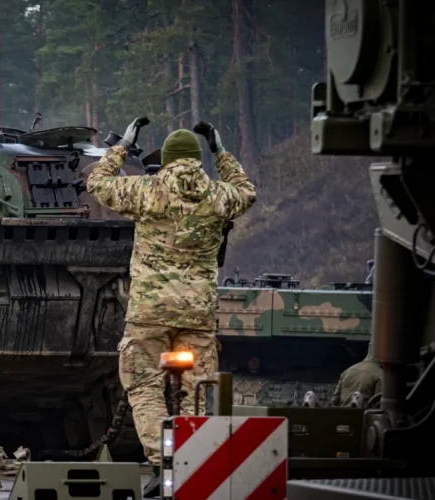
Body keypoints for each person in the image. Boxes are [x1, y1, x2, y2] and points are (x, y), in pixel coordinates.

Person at [86, 121, 256, 497]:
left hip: (149, 310)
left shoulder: (147, 191)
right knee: (198, 391)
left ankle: (162, 463)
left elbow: (97, 184)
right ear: (196, 159)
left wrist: (122, 148)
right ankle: (193, 465)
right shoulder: (217, 196)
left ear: (165, 160)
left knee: (146, 387)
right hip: (197, 312)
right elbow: (247, 191)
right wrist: (221, 151)